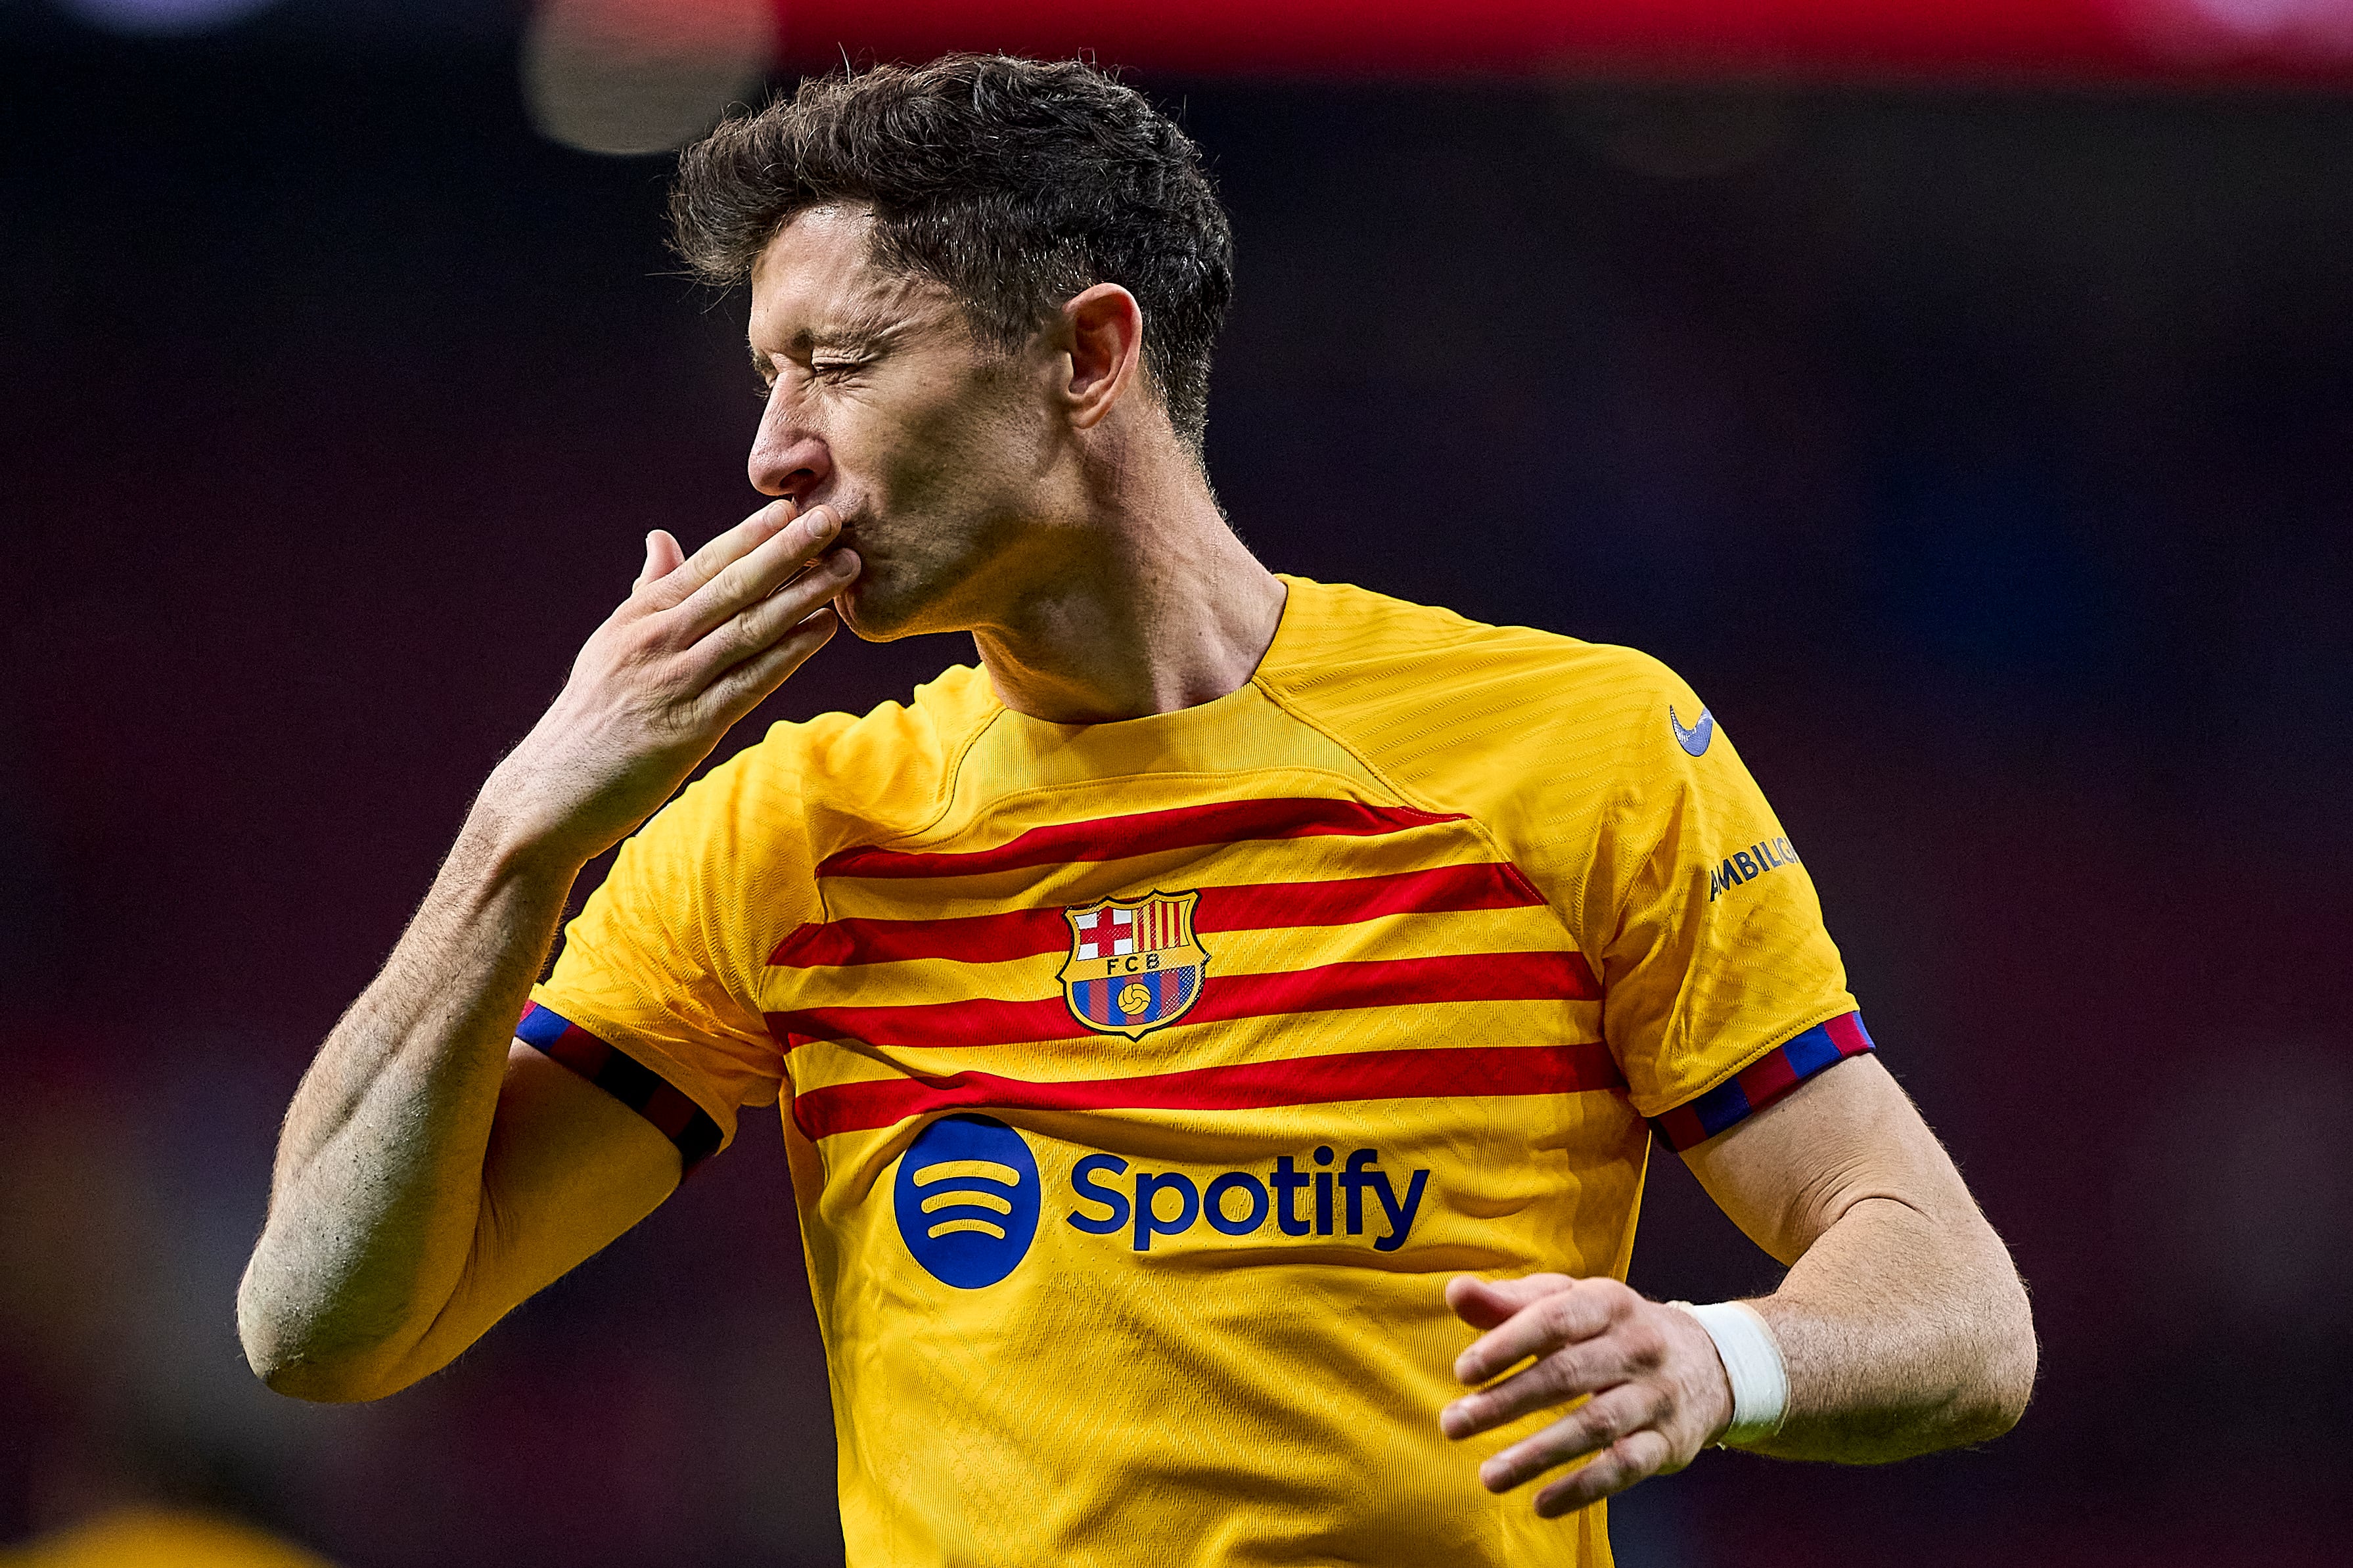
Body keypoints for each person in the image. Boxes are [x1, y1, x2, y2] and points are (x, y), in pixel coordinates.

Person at [237, 53, 2036, 1566]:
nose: (774, 450)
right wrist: (517, 838)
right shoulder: (787, 833)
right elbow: (319, 1325)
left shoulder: (1575, 745)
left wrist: (1719, 1359)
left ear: (1087, 354)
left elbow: (1961, 1306)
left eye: (841, 364)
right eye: (767, 373)